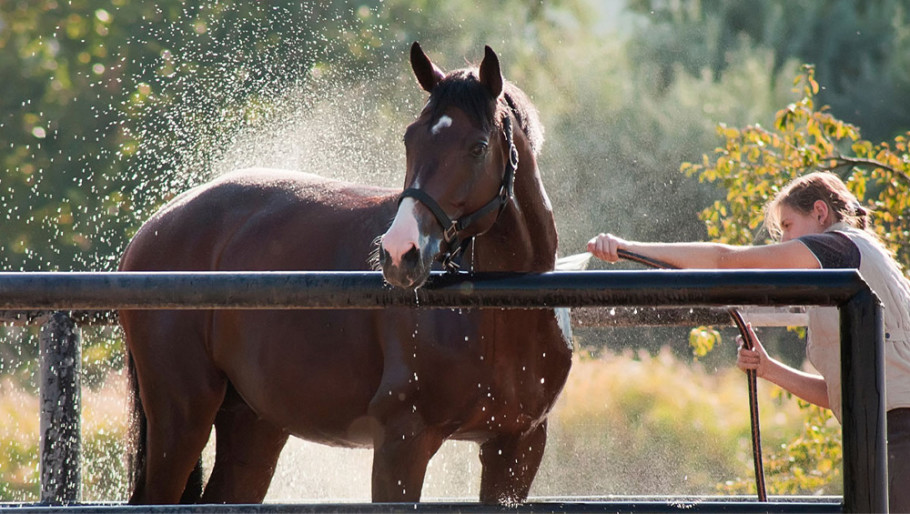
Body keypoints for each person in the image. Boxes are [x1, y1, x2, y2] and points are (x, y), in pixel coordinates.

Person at [587, 171, 910, 511]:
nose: (784, 240)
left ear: (819, 213)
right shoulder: (849, 270)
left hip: (899, 440)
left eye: (787, 225)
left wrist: (628, 249)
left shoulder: (840, 247)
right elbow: (841, 393)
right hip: (880, 439)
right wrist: (769, 369)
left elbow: (725, 260)